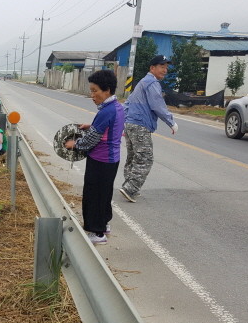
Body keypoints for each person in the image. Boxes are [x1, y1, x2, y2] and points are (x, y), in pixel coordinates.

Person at [64, 70, 124, 245]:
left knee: (94, 195)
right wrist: (91, 125)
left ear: (107, 90)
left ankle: (98, 233)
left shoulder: (106, 111)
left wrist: (73, 144)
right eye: (91, 90)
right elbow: (108, 127)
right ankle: (104, 225)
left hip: (100, 160)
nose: (92, 95)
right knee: (104, 194)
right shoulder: (117, 107)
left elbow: (90, 141)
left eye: (95, 90)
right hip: (112, 160)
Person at [120, 55, 179, 203]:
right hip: (140, 125)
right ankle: (130, 188)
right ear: (152, 68)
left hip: (131, 124)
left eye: (166, 67)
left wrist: (123, 122)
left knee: (133, 157)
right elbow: (157, 104)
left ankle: (128, 185)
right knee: (145, 158)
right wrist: (171, 121)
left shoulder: (142, 82)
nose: (165, 70)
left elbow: (128, 103)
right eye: (161, 66)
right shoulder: (152, 82)